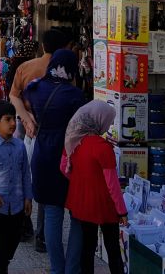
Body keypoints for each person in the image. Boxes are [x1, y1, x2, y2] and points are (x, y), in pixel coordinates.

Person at [23, 49, 86, 273]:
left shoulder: (35, 88)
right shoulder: (75, 96)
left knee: (51, 212)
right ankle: (72, 268)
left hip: (43, 155)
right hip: (69, 159)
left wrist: (30, 121)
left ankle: (57, 268)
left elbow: (23, 102)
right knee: (78, 214)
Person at [10, 30, 70, 247]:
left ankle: (23, 224)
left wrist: (26, 119)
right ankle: (42, 235)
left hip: (28, 129)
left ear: (43, 46)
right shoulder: (64, 71)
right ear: (63, 47)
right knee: (48, 182)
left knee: (25, 176)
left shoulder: (25, 67)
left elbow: (13, 95)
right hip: (52, 134)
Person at [61, 101, 127, 274]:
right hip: (104, 206)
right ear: (99, 120)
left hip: (82, 203)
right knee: (113, 249)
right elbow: (112, 185)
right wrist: (122, 211)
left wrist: (82, 180)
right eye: (109, 120)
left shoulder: (73, 141)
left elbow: (64, 168)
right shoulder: (103, 148)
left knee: (87, 248)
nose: (109, 125)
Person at [0, 100, 33, 274]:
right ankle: (0, 267)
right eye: (7, 119)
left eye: (13, 119)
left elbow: (25, 173)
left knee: (15, 239)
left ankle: (4, 260)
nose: (12, 123)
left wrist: (28, 197)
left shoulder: (20, 146)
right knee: (0, 245)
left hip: (17, 206)